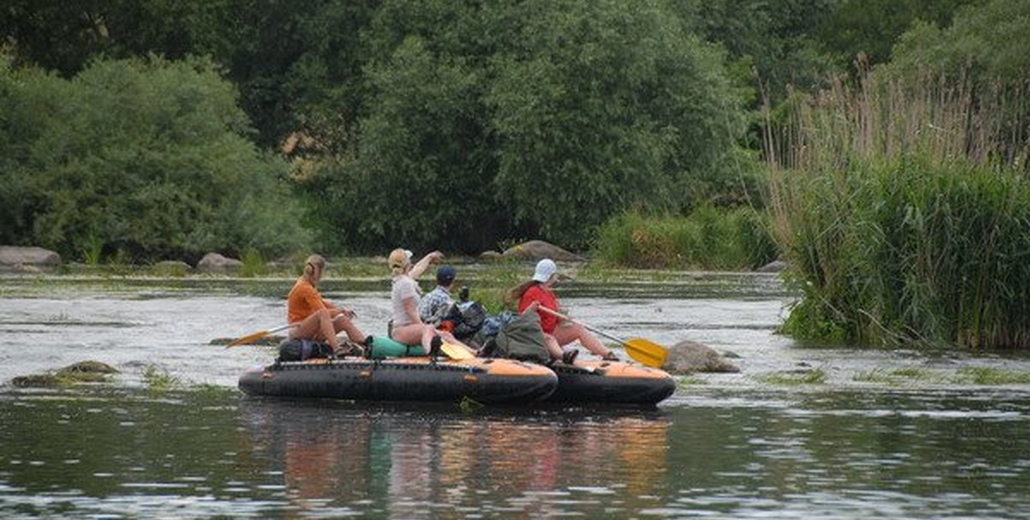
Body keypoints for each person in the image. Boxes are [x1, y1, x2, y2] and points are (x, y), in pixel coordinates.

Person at [506, 258, 619, 362]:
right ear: (551, 276)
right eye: (555, 275)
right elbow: (523, 320)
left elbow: (556, 320)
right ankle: (563, 356)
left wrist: (564, 319)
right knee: (549, 338)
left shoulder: (550, 294)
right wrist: (531, 308)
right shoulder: (531, 293)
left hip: (550, 331)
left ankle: (607, 354)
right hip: (534, 335)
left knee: (578, 329)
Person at [388, 249, 472, 356]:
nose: (411, 261)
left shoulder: (404, 279)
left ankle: (475, 352)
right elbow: (410, 311)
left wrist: (429, 257)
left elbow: (418, 268)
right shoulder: (405, 283)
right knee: (428, 329)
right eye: (409, 259)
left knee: (446, 335)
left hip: (408, 328)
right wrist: (422, 327)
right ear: (406, 263)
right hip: (402, 330)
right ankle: (429, 351)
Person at [287, 254, 366, 356]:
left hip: (311, 329)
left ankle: (366, 346)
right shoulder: (305, 288)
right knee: (322, 313)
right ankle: (336, 349)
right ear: (317, 271)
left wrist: (341, 310)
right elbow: (322, 311)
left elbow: (322, 303)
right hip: (298, 330)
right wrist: (338, 311)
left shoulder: (308, 284)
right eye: (322, 271)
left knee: (342, 320)